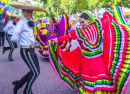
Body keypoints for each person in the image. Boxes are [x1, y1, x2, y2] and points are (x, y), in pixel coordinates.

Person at [48, 6, 130, 94]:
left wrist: (111, 10)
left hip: (97, 59)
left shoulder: (97, 25)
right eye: (80, 22)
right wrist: (56, 40)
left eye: (83, 22)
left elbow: (107, 22)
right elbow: (69, 36)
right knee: (88, 75)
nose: (81, 24)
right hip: (86, 60)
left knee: (98, 75)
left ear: (88, 20)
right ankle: (87, 90)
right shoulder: (79, 31)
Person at [10, 1, 46, 94]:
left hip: (32, 49)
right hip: (26, 50)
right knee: (35, 72)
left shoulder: (27, 21)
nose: (29, 13)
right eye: (27, 11)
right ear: (22, 11)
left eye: (30, 12)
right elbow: (14, 37)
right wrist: (19, 42)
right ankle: (27, 91)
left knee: (35, 71)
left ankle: (19, 84)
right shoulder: (21, 23)